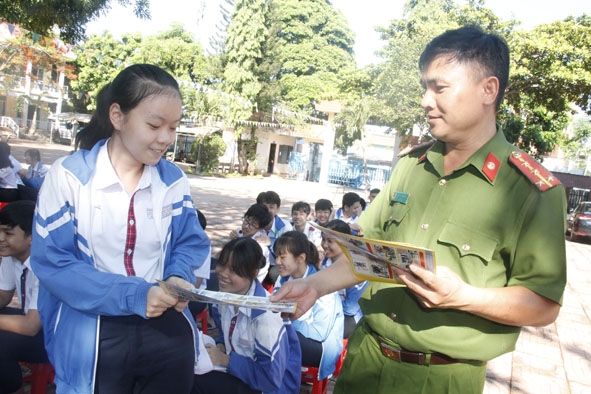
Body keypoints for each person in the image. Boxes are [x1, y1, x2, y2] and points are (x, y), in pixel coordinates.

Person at [271, 26, 567, 394]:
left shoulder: (529, 190)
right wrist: (313, 286)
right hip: (366, 358)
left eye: (439, 88)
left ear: (487, 90)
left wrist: (464, 297)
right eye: (425, 87)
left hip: (441, 377)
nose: (426, 100)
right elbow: (367, 255)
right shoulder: (412, 166)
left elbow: (543, 304)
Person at [30, 64, 211, 394]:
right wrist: (136, 295)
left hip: (164, 332)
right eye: (155, 125)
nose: (166, 139)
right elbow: (54, 264)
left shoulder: (172, 181)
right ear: (117, 116)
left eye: (173, 128)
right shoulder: (70, 178)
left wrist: (177, 275)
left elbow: (189, 241)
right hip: (92, 336)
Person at [192, 237, 301, 394]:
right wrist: (221, 345)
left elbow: (269, 379)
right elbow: (226, 333)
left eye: (234, 270)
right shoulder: (222, 298)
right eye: (222, 264)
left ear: (253, 273)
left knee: (193, 381)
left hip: (269, 388)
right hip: (241, 374)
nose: (223, 273)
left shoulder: (265, 316)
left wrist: (225, 360)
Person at [273, 231, 344, 380]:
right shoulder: (283, 278)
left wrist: (288, 321)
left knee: (276, 336)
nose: (277, 262)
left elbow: (319, 333)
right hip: (295, 334)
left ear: (300, 258)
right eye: (276, 256)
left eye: (283, 257)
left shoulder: (323, 286)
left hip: (320, 348)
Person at [0, 201, 49, 394]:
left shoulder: (44, 266)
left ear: (31, 237)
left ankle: (13, 389)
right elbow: (3, 296)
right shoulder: (9, 256)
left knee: (1, 342)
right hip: (31, 320)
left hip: (53, 336)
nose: (1, 238)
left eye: (8, 233)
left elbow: (30, 327)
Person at [320, 219, 368, 339]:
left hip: (349, 317)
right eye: (323, 239)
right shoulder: (325, 260)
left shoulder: (356, 268)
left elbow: (350, 308)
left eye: (330, 241)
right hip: (328, 310)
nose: (324, 245)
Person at [229, 203, 273, 283]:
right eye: (246, 220)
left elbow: (245, 271)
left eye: (252, 225)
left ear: (260, 228)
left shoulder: (260, 245)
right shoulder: (239, 232)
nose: (246, 226)